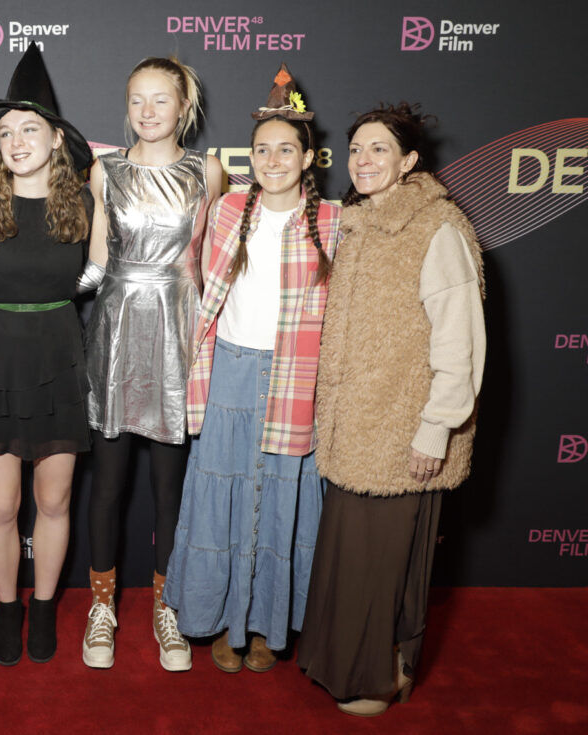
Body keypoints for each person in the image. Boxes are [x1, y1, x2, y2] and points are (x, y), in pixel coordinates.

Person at [297, 102, 486, 716]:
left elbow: (460, 342)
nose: (363, 160)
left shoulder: (439, 228)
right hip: (355, 426)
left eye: (379, 149)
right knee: (351, 557)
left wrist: (434, 430)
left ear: (409, 160)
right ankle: (345, 665)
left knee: (383, 564)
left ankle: (377, 674)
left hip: (403, 430)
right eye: (356, 150)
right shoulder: (356, 225)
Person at [164, 64, 342, 675]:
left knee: (284, 503)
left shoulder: (332, 222)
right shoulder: (226, 210)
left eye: (285, 149)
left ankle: (268, 626)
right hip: (230, 374)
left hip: (295, 377)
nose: (273, 160)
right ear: (251, 156)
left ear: (308, 156)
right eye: (262, 149)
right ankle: (224, 622)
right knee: (224, 499)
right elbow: (194, 288)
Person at [79, 56, 223, 671]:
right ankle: (103, 609)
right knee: (107, 485)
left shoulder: (208, 172)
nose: (146, 111)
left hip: (177, 328)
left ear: (182, 105)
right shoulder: (103, 169)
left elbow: (215, 262)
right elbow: (95, 259)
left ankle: (168, 609)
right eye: (137, 98)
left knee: (172, 489)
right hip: (114, 329)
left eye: (160, 99)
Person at [0, 45, 94, 666]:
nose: (16, 141)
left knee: (56, 503)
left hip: (61, 358)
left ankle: (44, 611)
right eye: (6, 131)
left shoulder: (88, 205)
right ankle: (7, 607)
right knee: (1, 505)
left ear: (55, 139)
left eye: (29, 129)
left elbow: (104, 272)